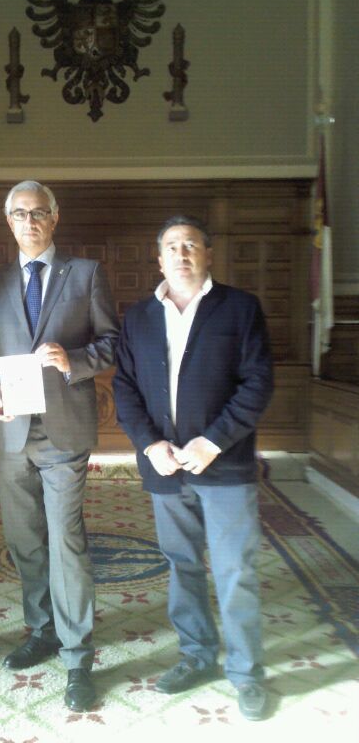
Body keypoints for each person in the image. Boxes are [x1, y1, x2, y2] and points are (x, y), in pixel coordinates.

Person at [0, 180, 119, 711]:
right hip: (12, 432)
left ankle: (77, 656)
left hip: (64, 432)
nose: (28, 221)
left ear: (54, 218)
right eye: (19, 213)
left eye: (38, 213)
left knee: (66, 539)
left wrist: (74, 360)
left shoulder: (86, 274)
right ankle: (43, 628)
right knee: (24, 539)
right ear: (8, 221)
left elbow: (112, 343)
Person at [112, 215, 273, 721]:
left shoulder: (240, 308)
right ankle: (197, 656)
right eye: (171, 246)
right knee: (181, 565)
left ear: (208, 253)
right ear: (158, 258)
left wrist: (213, 442)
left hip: (224, 467)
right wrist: (149, 445)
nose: (181, 253)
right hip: (166, 468)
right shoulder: (138, 317)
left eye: (190, 245)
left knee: (234, 569)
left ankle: (246, 673)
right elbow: (124, 388)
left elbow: (257, 384)